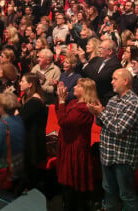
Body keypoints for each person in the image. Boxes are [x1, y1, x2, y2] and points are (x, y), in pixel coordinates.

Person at [87, 68, 138, 211]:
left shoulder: (133, 103)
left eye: (114, 79)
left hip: (123, 158)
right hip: (108, 154)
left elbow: (119, 129)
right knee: (109, 190)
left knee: (126, 195)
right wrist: (97, 112)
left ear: (125, 81)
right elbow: (102, 123)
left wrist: (101, 113)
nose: (111, 82)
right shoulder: (113, 100)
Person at [55, 78, 99, 211]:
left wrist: (62, 100)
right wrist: (61, 100)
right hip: (68, 144)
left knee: (73, 181)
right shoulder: (74, 102)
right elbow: (60, 112)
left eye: (78, 86)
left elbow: (63, 121)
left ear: (85, 91)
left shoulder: (85, 108)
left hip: (76, 147)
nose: (74, 87)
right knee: (66, 181)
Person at [18, 73, 48, 190]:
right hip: (27, 137)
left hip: (32, 141)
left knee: (28, 173)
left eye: (23, 81)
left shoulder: (35, 101)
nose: (20, 83)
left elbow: (21, 118)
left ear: (30, 84)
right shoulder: (26, 97)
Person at [81, 39, 122, 104]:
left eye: (102, 48)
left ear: (110, 51)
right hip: (93, 97)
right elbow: (90, 73)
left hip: (104, 100)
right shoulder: (99, 60)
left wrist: (84, 61)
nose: (99, 50)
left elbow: (98, 78)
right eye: (99, 47)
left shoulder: (115, 64)